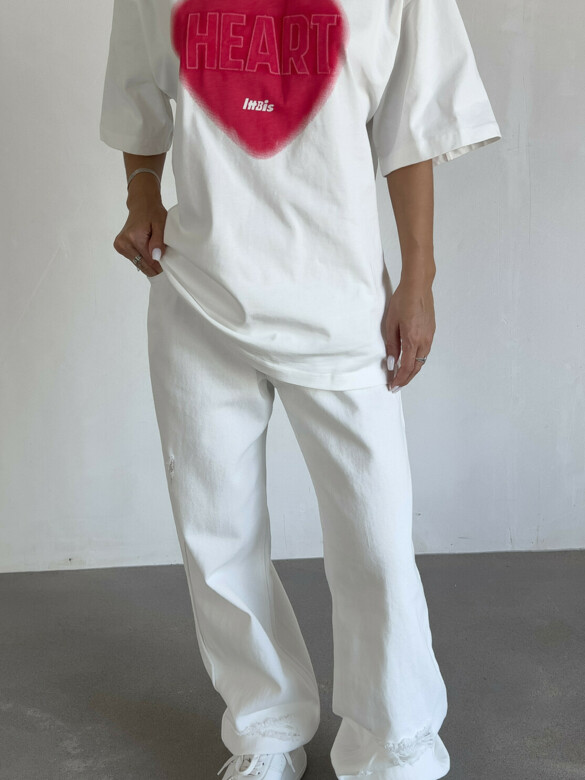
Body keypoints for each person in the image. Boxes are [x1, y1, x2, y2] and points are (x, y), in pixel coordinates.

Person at [99, 1, 501, 778]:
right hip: (200, 294)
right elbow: (138, 96)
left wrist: (417, 278)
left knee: (374, 535)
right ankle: (264, 728)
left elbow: (412, 121)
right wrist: (142, 197)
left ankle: (395, 739)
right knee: (216, 531)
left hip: (340, 304)